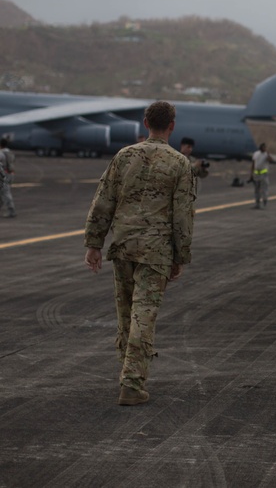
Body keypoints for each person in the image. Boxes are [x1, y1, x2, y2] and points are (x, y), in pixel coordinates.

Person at [83, 101, 195, 405]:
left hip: (123, 246)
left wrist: (94, 243)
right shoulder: (180, 163)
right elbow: (182, 215)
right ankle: (132, 382)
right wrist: (180, 256)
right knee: (144, 313)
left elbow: (103, 201)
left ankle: (126, 373)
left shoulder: (124, 156)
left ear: (145, 123)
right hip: (155, 251)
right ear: (172, 125)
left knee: (125, 313)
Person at [250, 143, 276, 209]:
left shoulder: (266, 155)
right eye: (263, 147)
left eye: (265, 147)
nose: (264, 148)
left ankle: (264, 201)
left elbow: (271, 160)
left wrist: (268, 154)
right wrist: (251, 174)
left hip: (264, 175)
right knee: (257, 190)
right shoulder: (256, 154)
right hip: (256, 174)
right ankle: (257, 204)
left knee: (264, 189)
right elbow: (253, 164)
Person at [0, 137, 15, 218]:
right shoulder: (10, 152)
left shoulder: (1, 153)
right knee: (2, 193)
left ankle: (11, 211)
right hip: (10, 174)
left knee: (5, 193)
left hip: (3, 175)